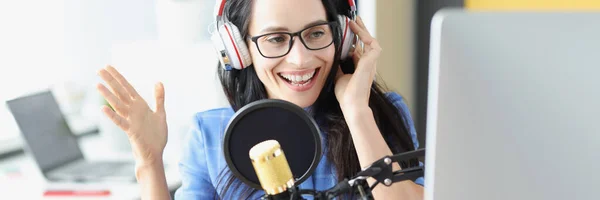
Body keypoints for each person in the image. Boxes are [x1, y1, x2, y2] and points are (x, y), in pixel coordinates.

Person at [96, 0, 424, 199]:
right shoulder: (210, 133)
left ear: (342, 36)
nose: (300, 59)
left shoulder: (379, 113)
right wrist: (149, 162)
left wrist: (356, 111)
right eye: (276, 39)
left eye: (316, 33)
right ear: (238, 49)